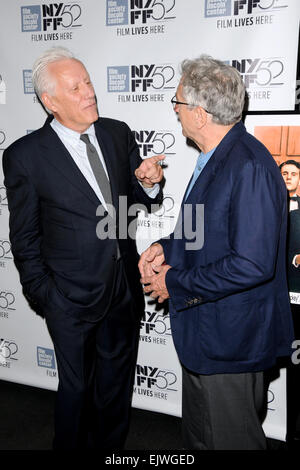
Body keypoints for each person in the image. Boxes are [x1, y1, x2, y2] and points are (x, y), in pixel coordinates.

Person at [2, 47, 164, 450]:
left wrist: (147, 184)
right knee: (76, 392)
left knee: (116, 391)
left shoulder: (117, 132)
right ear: (50, 101)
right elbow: (23, 236)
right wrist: (46, 296)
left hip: (123, 291)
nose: (89, 92)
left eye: (88, 81)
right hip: (68, 297)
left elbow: (134, 206)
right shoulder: (24, 156)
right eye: (76, 87)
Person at [139, 55, 294, 450]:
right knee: (203, 437)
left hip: (231, 340)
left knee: (230, 441)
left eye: (177, 102)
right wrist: (164, 246)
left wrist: (173, 280)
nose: (174, 110)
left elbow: (251, 264)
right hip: (206, 333)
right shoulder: (213, 158)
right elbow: (205, 233)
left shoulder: (248, 166)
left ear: (200, 113)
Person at [279, 159, 300, 448]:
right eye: (284, 173)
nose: (288, 178)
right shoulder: (268, 208)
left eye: (294, 174)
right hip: (272, 302)